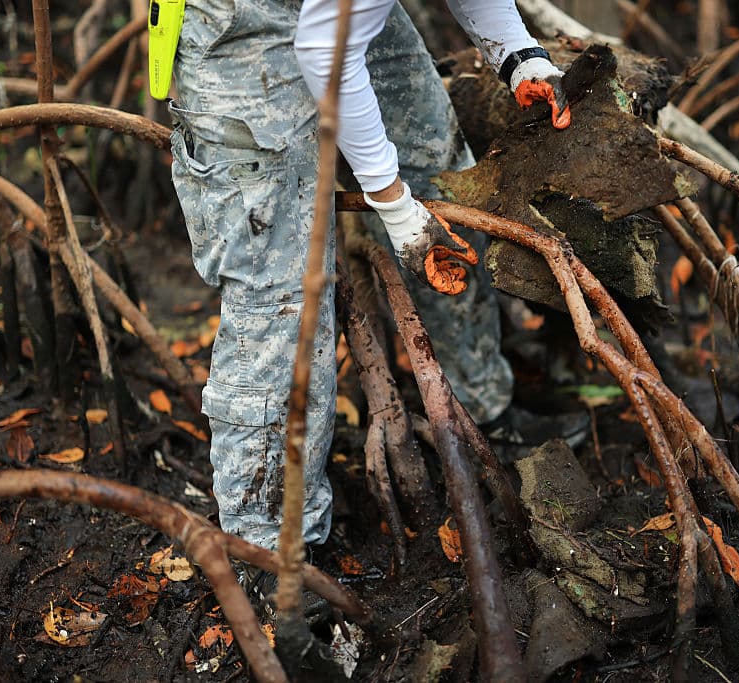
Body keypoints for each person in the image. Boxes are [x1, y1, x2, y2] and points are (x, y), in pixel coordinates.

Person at [168, 0, 587, 585]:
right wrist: (392, 204)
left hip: (335, 13)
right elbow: (324, 52)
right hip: (241, 26)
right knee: (279, 292)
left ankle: (477, 409)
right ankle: (265, 557)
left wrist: (519, 55)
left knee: (437, 166)